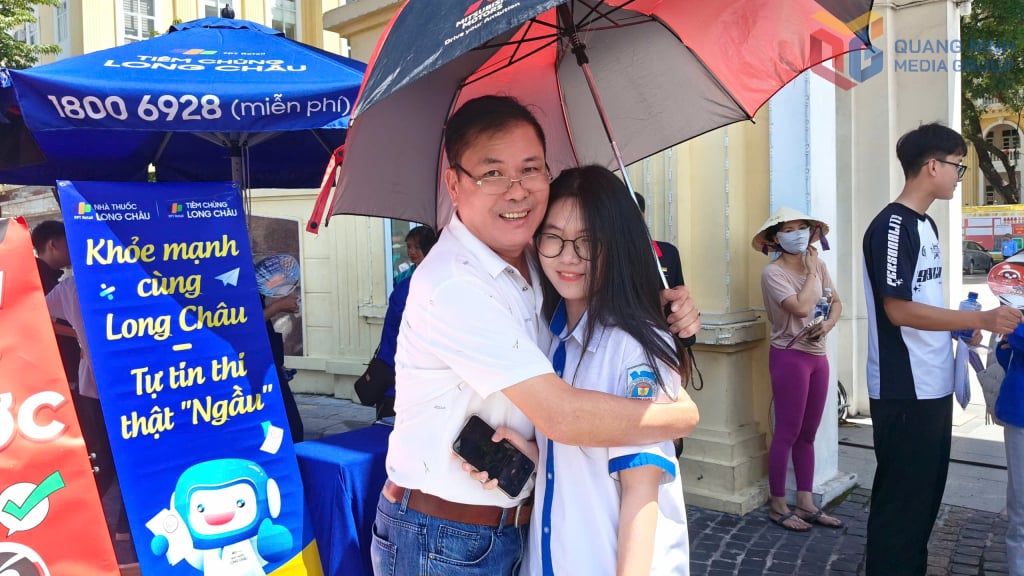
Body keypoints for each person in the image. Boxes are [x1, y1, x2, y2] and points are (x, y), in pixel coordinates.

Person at [370, 95, 702, 576]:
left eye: (530, 170)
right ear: (454, 184)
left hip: (518, 526)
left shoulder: (538, 259)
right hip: (443, 537)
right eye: (492, 173)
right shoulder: (454, 283)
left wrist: (664, 307)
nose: (516, 191)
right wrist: (679, 414)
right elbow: (562, 415)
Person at [518, 165, 696, 575]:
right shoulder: (550, 337)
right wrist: (533, 453)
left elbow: (641, 493)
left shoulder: (633, 345)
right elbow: (583, 461)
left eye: (589, 242)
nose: (569, 257)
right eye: (554, 237)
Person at [862, 122, 1021, 575]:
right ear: (932, 166)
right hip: (903, 387)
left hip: (932, 383)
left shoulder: (927, 224)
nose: (959, 175)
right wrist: (979, 319)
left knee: (923, 502)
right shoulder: (893, 226)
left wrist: (960, 329)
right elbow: (897, 310)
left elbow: (923, 302)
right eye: (957, 166)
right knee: (901, 506)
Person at [36, 221, 131, 541]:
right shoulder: (129, 281)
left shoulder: (69, 287)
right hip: (132, 382)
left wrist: (77, 334)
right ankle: (121, 527)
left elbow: (36, 315)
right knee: (128, 453)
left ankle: (81, 523)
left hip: (94, 384)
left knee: (103, 454)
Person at [752, 207, 843, 532]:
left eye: (801, 228)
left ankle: (805, 502)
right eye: (788, 230)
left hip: (818, 355)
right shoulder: (773, 273)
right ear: (776, 239)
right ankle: (778, 505)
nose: (797, 235)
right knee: (787, 433)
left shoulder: (819, 265)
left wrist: (828, 325)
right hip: (790, 356)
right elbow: (801, 307)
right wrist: (809, 272)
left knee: (808, 434)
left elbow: (835, 302)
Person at [370, 226, 437, 418]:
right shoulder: (407, 280)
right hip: (396, 357)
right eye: (408, 247)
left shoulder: (426, 278)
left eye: (417, 247)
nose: (411, 252)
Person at [32, 220, 81, 395]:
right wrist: (78, 334)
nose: (74, 248)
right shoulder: (36, 278)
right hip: (59, 363)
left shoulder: (48, 275)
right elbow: (38, 320)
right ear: (53, 244)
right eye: (68, 242)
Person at [263, 293, 304, 442]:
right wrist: (277, 306)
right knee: (289, 428)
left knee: (288, 427)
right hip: (254, 367)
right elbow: (244, 322)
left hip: (268, 360)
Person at [634, 191, 684, 288]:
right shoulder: (609, 257)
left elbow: (678, 290)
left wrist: (681, 294)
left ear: (642, 217)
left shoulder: (669, 253)